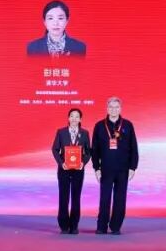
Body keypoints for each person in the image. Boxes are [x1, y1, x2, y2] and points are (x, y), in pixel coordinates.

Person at [91, 97, 138, 235]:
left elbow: (134, 147)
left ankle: (116, 226)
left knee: (120, 198)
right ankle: (101, 226)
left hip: (123, 169)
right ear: (107, 109)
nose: (113, 110)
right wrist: (96, 168)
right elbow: (95, 149)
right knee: (104, 198)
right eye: (111, 107)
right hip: (106, 168)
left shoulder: (128, 125)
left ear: (120, 109)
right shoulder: (99, 126)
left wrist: (133, 167)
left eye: (116, 107)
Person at [51, 108, 91, 234]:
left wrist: (83, 163)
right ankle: (64, 225)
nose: (74, 119)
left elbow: (88, 151)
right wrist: (61, 163)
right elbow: (55, 149)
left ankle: (74, 225)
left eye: (77, 116)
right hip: (64, 169)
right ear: (68, 118)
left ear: (80, 119)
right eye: (72, 116)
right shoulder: (61, 132)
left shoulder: (84, 133)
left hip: (78, 170)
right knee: (63, 197)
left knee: (76, 197)